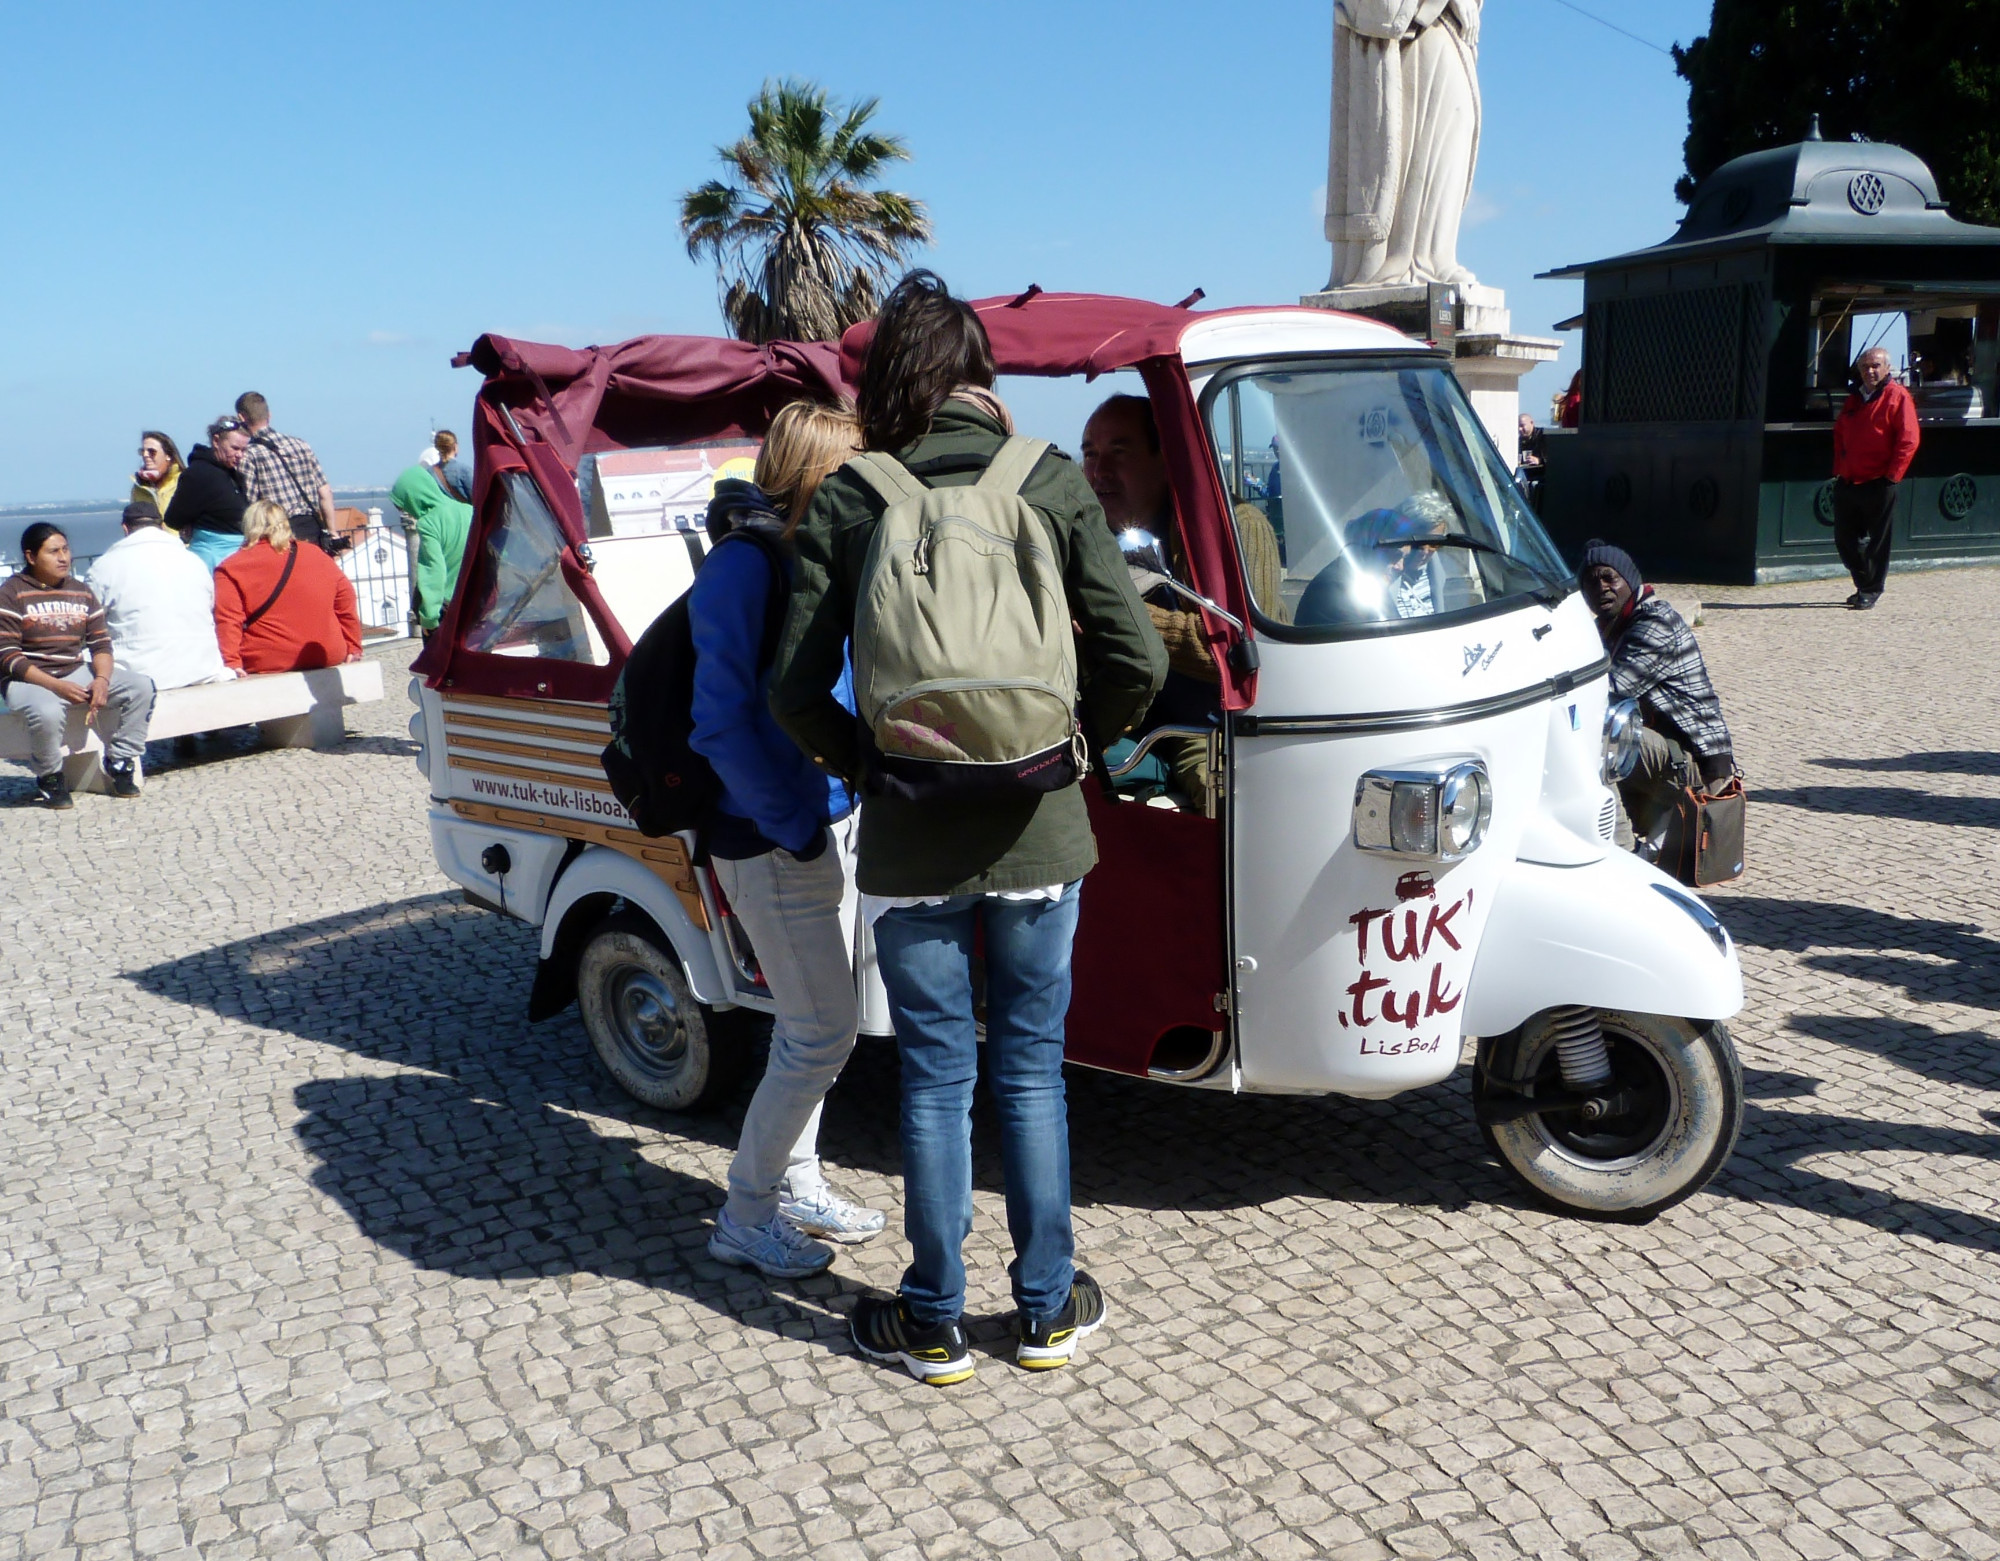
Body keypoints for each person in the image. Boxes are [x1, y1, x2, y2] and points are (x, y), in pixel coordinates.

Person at [772, 271, 1166, 1385]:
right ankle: (1044, 1309)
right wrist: (1072, 750)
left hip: (909, 832)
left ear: (892, 380)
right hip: (1039, 828)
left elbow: (792, 692)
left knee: (935, 1079)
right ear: (982, 376)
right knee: (1032, 1071)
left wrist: (874, 765)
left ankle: (933, 1318)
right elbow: (1132, 656)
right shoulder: (1046, 481)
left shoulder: (853, 496)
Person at [695, 401, 886, 1281]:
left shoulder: (798, 552)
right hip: (774, 834)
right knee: (823, 1031)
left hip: (814, 820)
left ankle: (797, 1179)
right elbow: (721, 722)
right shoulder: (745, 565)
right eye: (852, 466)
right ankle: (746, 1210)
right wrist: (796, 826)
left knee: (810, 1026)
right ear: (818, 471)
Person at [1081, 392, 1278, 810]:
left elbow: (1236, 656)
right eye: (1090, 454)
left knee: (1232, 802)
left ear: (1165, 458)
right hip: (1124, 723)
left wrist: (1109, 614)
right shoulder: (1093, 537)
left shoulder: (1231, 528)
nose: (1099, 472)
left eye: (1119, 453)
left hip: (1210, 730)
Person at [1579, 540, 1735, 855]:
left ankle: (1623, 853)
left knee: (1595, 743)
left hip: (1697, 767)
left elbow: (1612, 688)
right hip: (1667, 752)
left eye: (1610, 577)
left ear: (1630, 580)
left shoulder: (1654, 622)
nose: (1602, 588)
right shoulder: (1609, 626)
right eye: (1591, 582)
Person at [0, 524, 155, 806]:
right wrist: (56, 687)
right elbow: (7, 655)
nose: (63, 558)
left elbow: (101, 644)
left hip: (74, 670)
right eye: (53, 552)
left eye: (66, 550)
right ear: (31, 557)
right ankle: (49, 776)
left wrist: (102, 680)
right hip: (28, 679)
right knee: (46, 710)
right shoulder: (11, 593)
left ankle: (120, 760)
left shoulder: (81, 591)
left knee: (141, 687)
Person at [85, 503, 231, 690]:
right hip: (202, 667)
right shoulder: (194, 561)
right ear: (161, 527)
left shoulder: (104, 567)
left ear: (125, 528)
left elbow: (88, 620)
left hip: (140, 674)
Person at [213, 501, 363, 675]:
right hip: (327, 653)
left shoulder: (231, 568)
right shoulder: (316, 554)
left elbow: (228, 620)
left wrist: (231, 662)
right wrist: (353, 646)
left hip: (267, 660)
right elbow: (346, 599)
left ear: (248, 526)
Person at [1831, 345, 1920, 610]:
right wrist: (1839, 469)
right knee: (1845, 539)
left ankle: (1870, 589)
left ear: (1887, 368)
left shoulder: (1897, 396)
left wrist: (1892, 476)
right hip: (1849, 480)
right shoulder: (1854, 398)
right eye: (1865, 366)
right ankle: (1863, 583)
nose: (1870, 371)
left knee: (1878, 541)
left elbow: (1909, 439)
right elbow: (1840, 433)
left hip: (1879, 481)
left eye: (1875, 366)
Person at [235, 392, 344, 554]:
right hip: (311, 528)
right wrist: (332, 532)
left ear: (241, 418)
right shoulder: (300, 445)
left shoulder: (249, 455)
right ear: (269, 415)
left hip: (278, 533)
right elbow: (325, 492)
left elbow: (251, 503)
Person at [390, 465, 473, 636]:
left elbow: (434, 571)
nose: (407, 512)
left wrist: (429, 618)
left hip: (448, 607)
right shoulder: (468, 510)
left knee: (440, 662)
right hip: (474, 599)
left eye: (404, 505)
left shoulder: (429, 523)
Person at [164, 415, 251, 571]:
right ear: (216, 441)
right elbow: (173, 518)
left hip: (237, 557)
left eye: (244, 450)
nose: (240, 455)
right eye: (235, 448)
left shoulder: (233, 475)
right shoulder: (198, 474)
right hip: (212, 560)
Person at [132, 431, 185, 521]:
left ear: (168, 455)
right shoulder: (139, 487)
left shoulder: (184, 482)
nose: (145, 455)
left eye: (151, 451)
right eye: (142, 451)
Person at [432, 430, 473, 502]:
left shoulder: (429, 473)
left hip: (440, 513)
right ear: (455, 446)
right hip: (463, 512)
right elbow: (477, 497)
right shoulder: (464, 471)